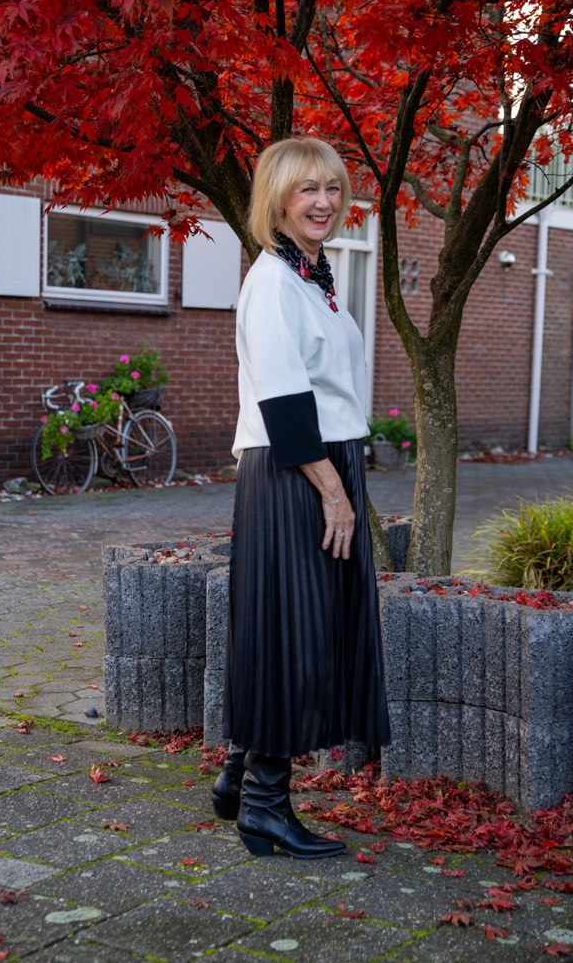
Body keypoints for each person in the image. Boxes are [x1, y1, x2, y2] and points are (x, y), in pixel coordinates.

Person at [212, 137, 390, 859]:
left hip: (321, 459)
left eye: (331, 187)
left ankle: (239, 772)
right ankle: (263, 806)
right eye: (305, 189)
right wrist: (335, 495)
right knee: (294, 634)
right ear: (276, 199)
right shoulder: (273, 283)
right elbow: (286, 404)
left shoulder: (311, 275)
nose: (322, 201)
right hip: (297, 470)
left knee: (303, 629)